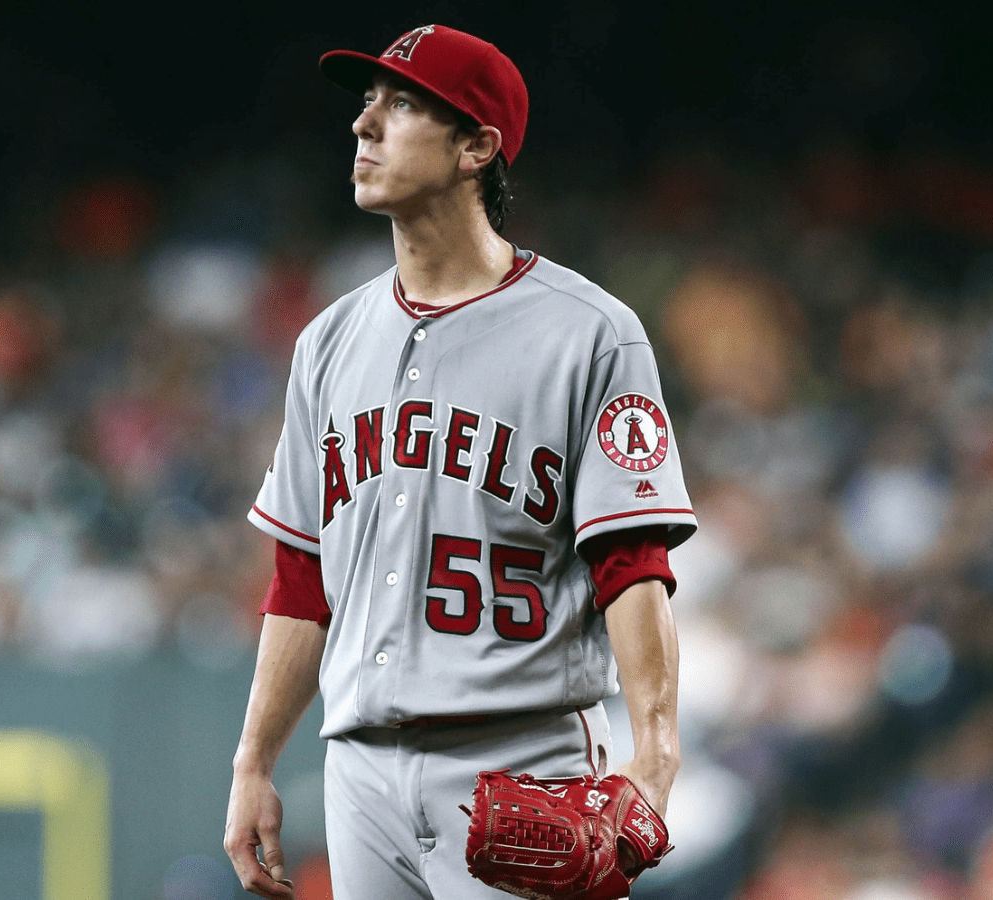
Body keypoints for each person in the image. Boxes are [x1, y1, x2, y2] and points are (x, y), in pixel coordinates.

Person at [224, 24, 696, 900]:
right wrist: (255, 763)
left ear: (477, 146)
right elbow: (301, 575)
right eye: (366, 102)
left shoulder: (589, 333)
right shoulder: (328, 341)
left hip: (521, 759)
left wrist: (656, 753)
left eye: (401, 104)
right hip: (359, 768)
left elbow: (631, 562)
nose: (364, 126)